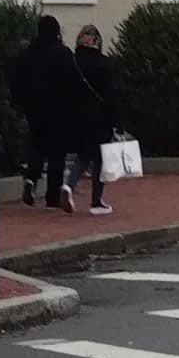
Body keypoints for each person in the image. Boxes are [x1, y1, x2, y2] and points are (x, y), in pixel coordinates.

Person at [9, 13, 95, 214]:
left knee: (37, 145)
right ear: (56, 32)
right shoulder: (63, 54)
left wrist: (22, 102)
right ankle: (52, 199)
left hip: (34, 109)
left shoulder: (27, 54)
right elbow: (76, 82)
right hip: (59, 110)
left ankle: (31, 178)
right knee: (57, 152)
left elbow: (16, 83)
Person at [71, 23, 122, 217]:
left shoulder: (73, 62)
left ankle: (68, 186)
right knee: (100, 158)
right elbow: (111, 96)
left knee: (83, 156)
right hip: (100, 118)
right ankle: (96, 201)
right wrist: (117, 122)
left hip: (78, 116)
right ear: (96, 41)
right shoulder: (104, 63)